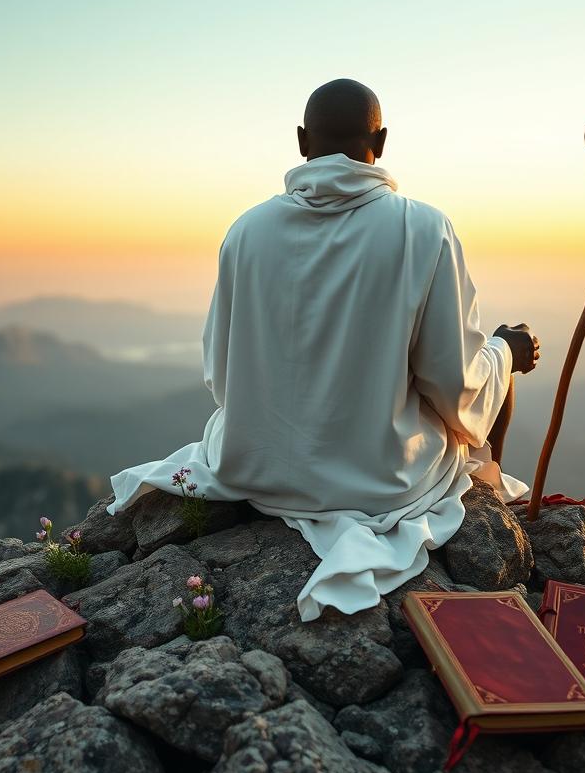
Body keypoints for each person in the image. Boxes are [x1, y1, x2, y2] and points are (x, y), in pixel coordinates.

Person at [108, 79, 540, 620]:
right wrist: (506, 351)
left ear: (300, 141)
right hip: (379, 479)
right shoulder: (423, 229)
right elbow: (454, 383)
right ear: (379, 142)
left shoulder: (247, 230)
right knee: (499, 359)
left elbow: (221, 375)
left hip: (256, 468)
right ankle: (500, 494)